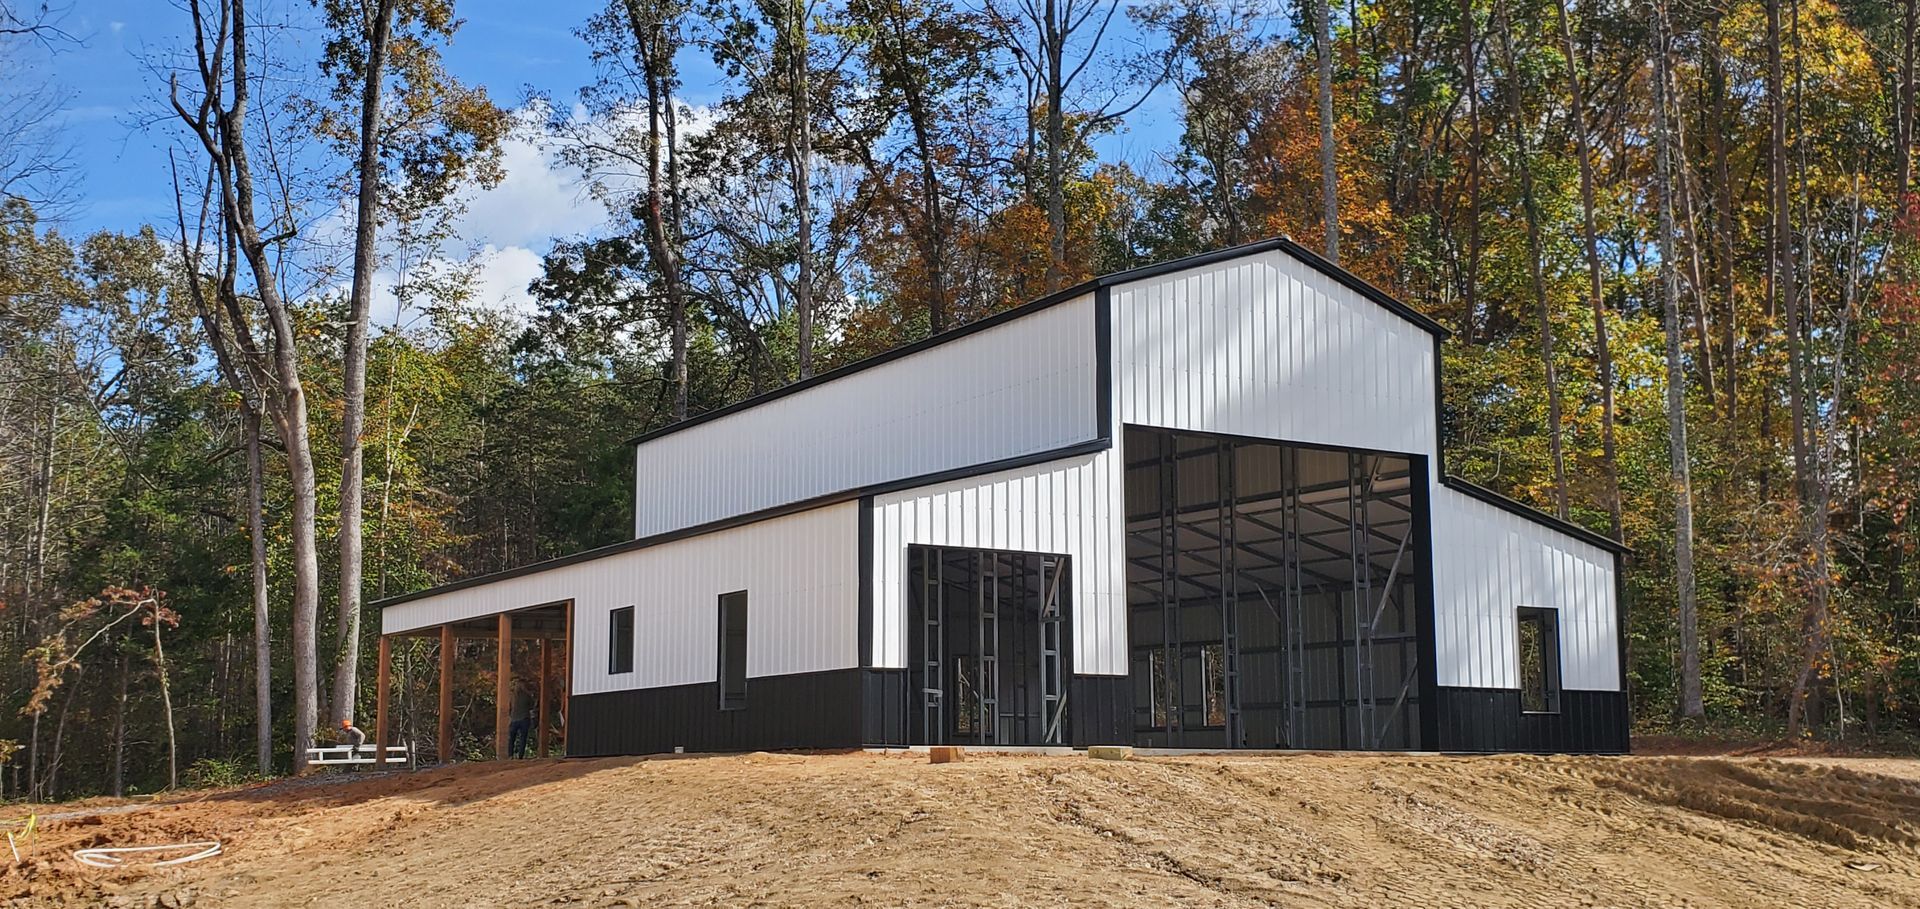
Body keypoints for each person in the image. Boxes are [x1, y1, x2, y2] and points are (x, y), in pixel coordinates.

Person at [507, 682, 535, 758]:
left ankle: (510, 755)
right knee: (523, 738)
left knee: (512, 739)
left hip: (514, 719)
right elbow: (532, 706)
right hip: (524, 718)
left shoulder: (512, 696)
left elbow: (509, 707)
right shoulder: (527, 696)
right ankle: (520, 756)